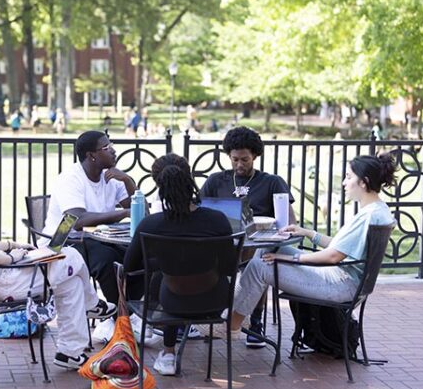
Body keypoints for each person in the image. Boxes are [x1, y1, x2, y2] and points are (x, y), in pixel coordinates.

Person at [0, 160, 115, 370]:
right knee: (71, 255)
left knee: (72, 284)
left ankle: (70, 352)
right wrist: (14, 256)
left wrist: (14, 245)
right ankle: (92, 304)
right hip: (2, 283)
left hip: (0, 277)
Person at [230, 154, 397, 332]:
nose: (344, 183)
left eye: (348, 177)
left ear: (363, 182)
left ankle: (232, 325)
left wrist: (288, 259)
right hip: (342, 277)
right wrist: (308, 233)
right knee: (269, 247)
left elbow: (334, 256)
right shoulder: (378, 210)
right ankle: (240, 316)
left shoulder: (369, 215)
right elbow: (340, 246)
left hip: (340, 284)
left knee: (259, 267)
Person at [124, 154, 232, 376]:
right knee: (178, 272)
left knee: (162, 276)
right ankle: (170, 349)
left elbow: (129, 266)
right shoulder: (217, 219)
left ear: (159, 185)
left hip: (171, 304)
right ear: (189, 179)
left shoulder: (150, 224)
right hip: (216, 302)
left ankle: (168, 353)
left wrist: (163, 261)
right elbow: (229, 267)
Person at [200, 126, 297, 349]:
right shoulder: (217, 181)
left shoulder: (271, 182)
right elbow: (199, 210)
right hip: (222, 245)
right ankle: (204, 316)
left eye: (245, 159)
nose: (239, 165)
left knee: (260, 259)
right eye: (234, 160)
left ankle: (255, 322)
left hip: (258, 245)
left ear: (254, 155)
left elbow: (289, 221)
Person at [42, 131, 140, 305]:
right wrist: (124, 213)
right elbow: (77, 220)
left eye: (112, 145)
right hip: (62, 239)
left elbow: (140, 210)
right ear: (91, 155)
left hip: (97, 238)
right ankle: (115, 314)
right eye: (106, 147)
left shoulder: (111, 175)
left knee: (139, 256)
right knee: (106, 259)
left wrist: (127, 180)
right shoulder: (71, 178)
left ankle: (128, 310)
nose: (113, 151)